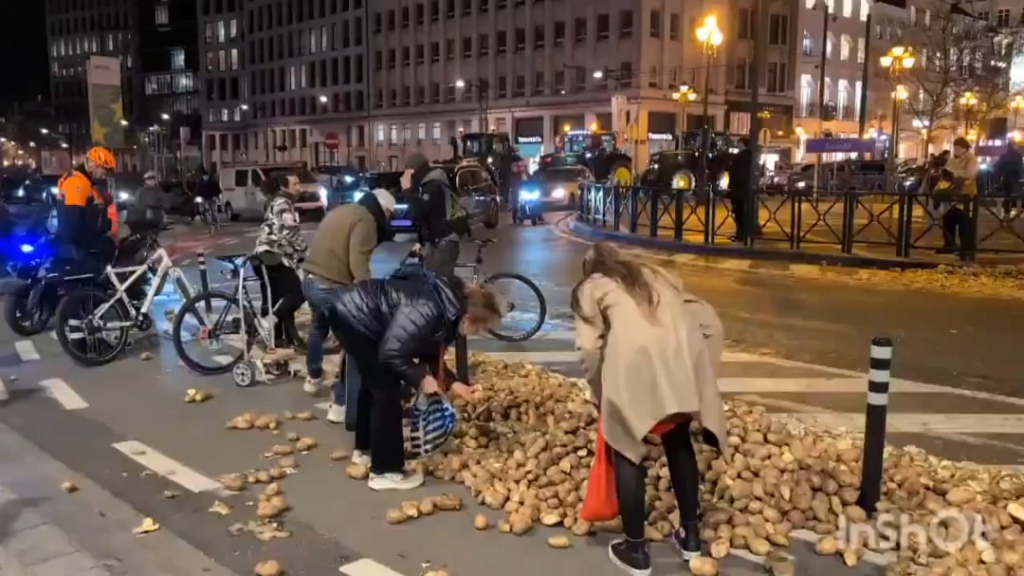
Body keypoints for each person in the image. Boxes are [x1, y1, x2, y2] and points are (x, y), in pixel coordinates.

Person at [571, 242, 729, 575]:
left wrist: (602, 393)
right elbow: (711, 324)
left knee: (627, 447)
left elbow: (588, 347)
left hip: (636, 372)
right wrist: (700, 377)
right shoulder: (657, 275)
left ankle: (636, 550)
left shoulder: (591, 288)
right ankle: (690, 538)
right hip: (679, 366)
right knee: (678, 438)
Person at [329, 269, 502, 490]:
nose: (479, 334)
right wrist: (421, 379)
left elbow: (427, 351)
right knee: (386, 392)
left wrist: (455, 384)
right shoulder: (430, 309)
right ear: (468, 318)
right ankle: (385, 471)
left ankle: (365, 451)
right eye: (481, 328)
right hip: (354, 315)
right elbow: (392, 352)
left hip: (353, 311)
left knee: (372, 384)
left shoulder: (447, 307)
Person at [302, 188, 397, 423]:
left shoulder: (343, 209)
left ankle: (313, 378)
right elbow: (358, 263)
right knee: (357, 343)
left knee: (318, 327)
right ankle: (341, 402)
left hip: (310, 280)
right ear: (383, 210)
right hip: (332, 286)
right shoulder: (366, 221)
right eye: (389, 215)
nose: (389, 220)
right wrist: (369, 296)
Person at [254, 172, 309, 348]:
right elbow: (290, 231)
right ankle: (269, 323)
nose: (299, 187)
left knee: (279, 299)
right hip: (272, 257)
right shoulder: (282, 204)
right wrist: (306, 251)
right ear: (285, 187)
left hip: (268, 255)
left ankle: (285, 338)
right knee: (297, 293)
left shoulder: (278, 202)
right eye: (295, 184)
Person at [402, 153, 470, 277]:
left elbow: (419, 211)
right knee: (434, 281)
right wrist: (421, 242)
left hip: (444, 243)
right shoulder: (429, 184)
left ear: (414, 171)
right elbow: (427, 219)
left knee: (438, 286)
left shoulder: (433, 186)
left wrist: (407, 190)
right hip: (441, 243)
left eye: (407, 170)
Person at [55, 146, 118, 271]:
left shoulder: (86, 182)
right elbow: (73, 223)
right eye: (104, 172)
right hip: (79, 245)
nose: (104, 177)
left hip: (83, 241)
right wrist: (104, 226)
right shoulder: (77, 183)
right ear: (93, 165)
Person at [936, 137, 979, 256]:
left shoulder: (971, 159)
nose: (955, 150)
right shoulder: (952, 159)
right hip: (950, 192)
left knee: (964, 221)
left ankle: (966, 248)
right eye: (954, 147)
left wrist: (955, 174)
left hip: (965, 193)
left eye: (958, 148)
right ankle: (949, 244)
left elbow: (970, 174)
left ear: (964, 148)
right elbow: (946, 172)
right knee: (948, 219)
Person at [727, 136, 754, 243]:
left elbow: (738, 172)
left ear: (743, 144)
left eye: (738, 143)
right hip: (741, 188)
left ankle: (740, 235)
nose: (737, 145)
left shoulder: (742, 157)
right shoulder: (747, 156)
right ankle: (741, 234)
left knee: (739, 212)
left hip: (739, 188)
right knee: (740, 212)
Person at [124, 171, 166, 235]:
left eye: (153, 179)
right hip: (143, 221)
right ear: (145, 181)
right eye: (149, 179)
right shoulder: (141, 192)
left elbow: (164, 204)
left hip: (155, 219)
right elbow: (138, 206)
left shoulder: (158, 191)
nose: (151, 181)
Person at [993, 141, 1023, 219]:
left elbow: (998, 167)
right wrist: (1021, 177)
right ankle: (1019, 211)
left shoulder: (1004, 156)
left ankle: (1007, 212)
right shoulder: (1018, 155)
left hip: (1006, 178)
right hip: (1016, 178)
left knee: (1007, 195)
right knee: (1018, 195)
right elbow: (1020, 167)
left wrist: (997, 179)